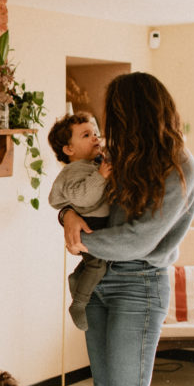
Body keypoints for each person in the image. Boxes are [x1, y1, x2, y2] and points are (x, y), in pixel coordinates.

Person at [60, 72, 194, 386]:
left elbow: (141, 239)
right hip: (99, 283)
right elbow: (81, 197)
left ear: (139, 111)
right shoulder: (120, 156)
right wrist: (67, 216)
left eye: (116, 111)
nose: (109, 123)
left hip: (139, 287)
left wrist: (83, 239)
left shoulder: (179, 166)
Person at [48, 111, 112, 330]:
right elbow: (83, 197)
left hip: (97, 224)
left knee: (94, 264)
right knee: (98, 267)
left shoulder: (91, 165)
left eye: (94, 133)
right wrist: (101, 176)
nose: (95, 137)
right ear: (69, 150)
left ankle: (76, 279)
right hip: (90, 226)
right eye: (86, 135)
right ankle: (79, 303)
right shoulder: (74, 171)